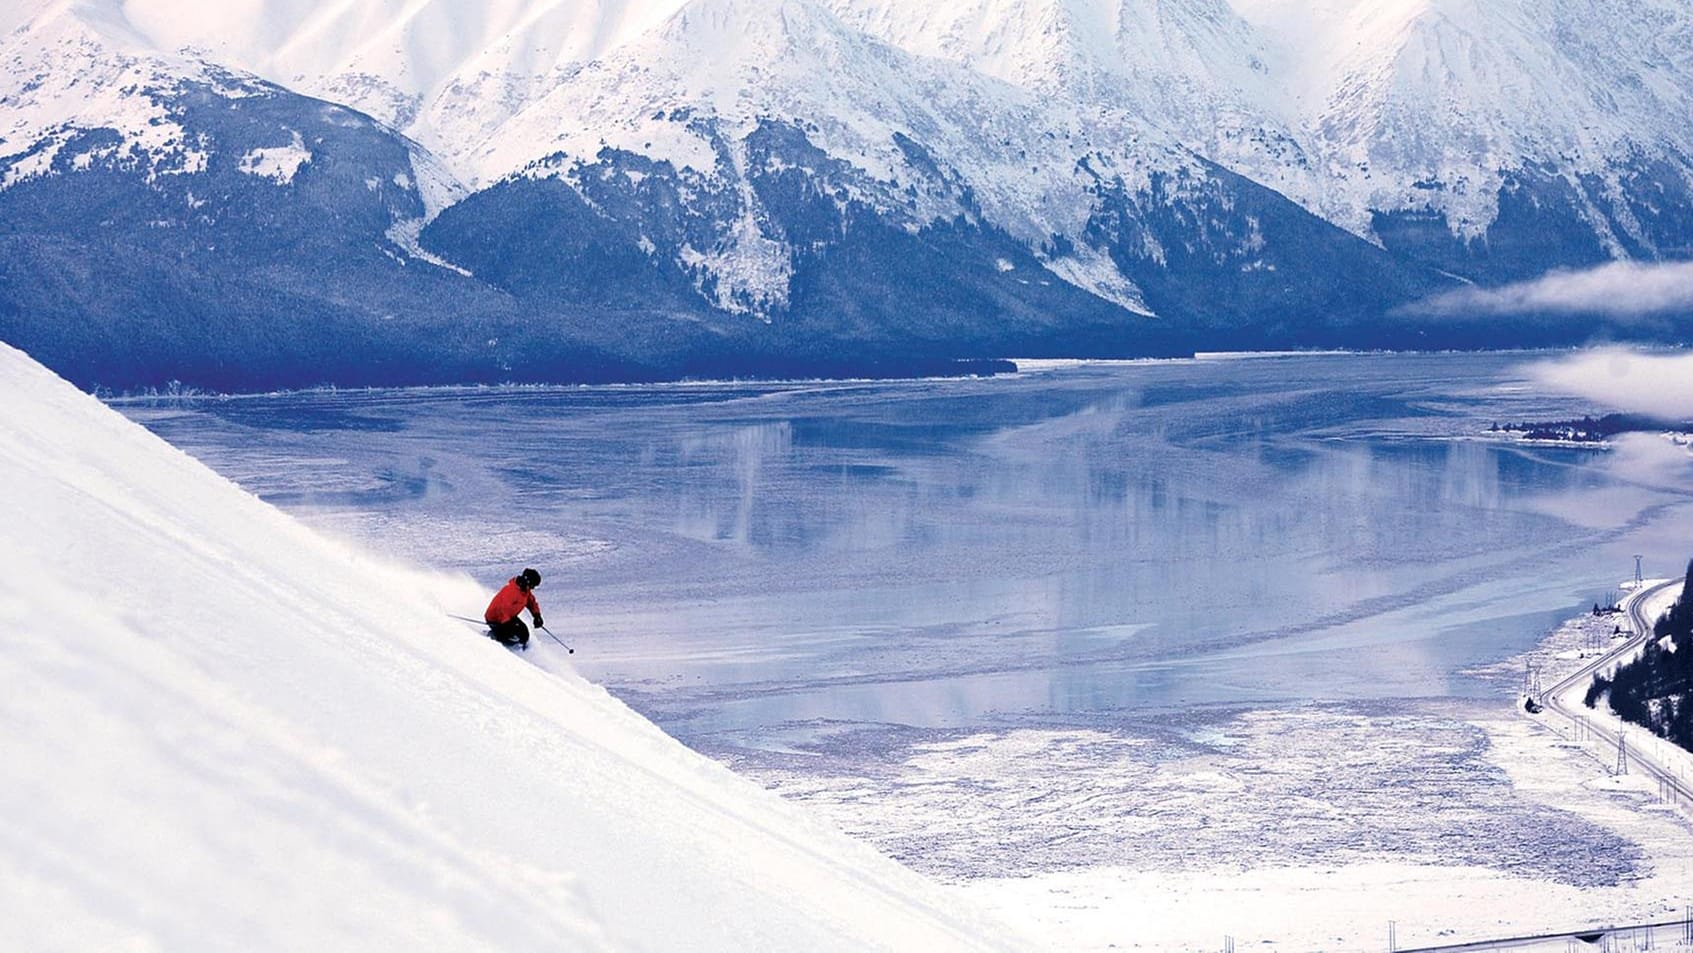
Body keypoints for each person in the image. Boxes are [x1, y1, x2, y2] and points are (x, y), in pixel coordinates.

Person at [485, 568, 543, 648]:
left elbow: (531, 602)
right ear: (527, 581)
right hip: (496, 618)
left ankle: (520, 649)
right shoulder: (512, 592)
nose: (532, 588)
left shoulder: (525, 590)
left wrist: (537, 615)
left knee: (524, 634)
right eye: (533, 585)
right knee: (513, 636)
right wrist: (507, 625)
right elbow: (503, 610)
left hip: (509, 617)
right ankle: (493, 638)